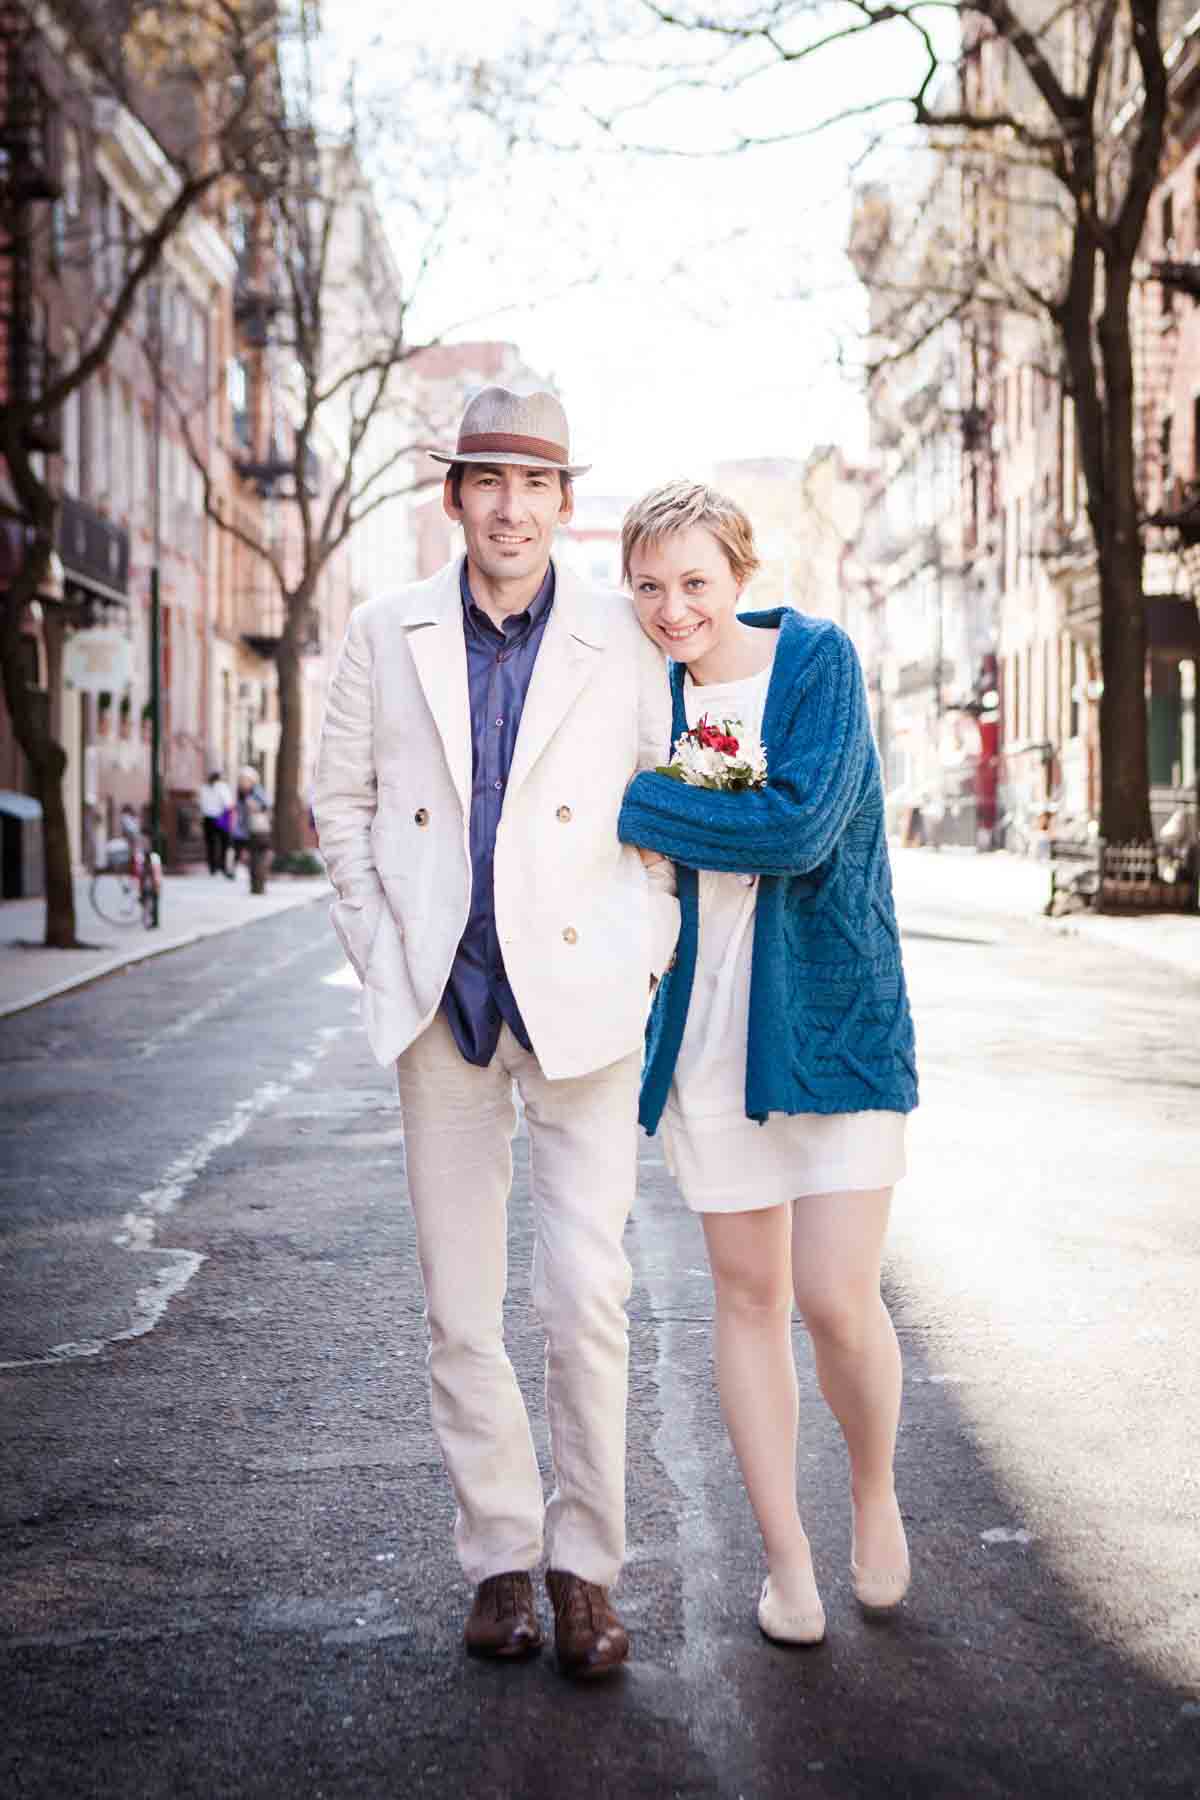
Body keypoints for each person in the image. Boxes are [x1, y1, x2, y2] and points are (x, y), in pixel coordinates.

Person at [313, 388, 679, 1678]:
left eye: (534, 485)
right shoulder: (383, 629)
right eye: (487, 482)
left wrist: (646, 955)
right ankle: (501, 1563)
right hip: (442, 1011)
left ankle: (588, 1570)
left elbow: (667, 815)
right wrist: (390, 951)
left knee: (586, 1296)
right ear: (454, 496)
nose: (511, 508)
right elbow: (339, 804)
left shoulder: (621, 639)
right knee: (461, 1308)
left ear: (563, 504)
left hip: (580, 1007)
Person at [616, 482, 918, 1647]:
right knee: (748, 1299)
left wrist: (647, 803)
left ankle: (873, 1490)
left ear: (738, 573)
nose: (673, 608)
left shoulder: (817, 663)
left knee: (838, 1298)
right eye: (649, 586)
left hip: (834, 1023)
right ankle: (786, 1561)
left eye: (694, 581)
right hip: (705, 1037)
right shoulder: (645, 687)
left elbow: (799, 829)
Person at [200, 769, 234, 878]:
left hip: (213, 817)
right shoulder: (219, 787)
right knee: (219, 843)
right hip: (216, 817)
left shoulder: (207, 788)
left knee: (214, 843)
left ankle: (215, 867)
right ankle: (219, 867)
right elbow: (228, 803)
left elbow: (201, 803)